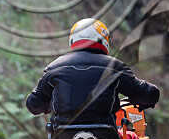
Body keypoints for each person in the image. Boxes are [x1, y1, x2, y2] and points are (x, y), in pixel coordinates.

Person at [26, 18, 160, 128]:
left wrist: (48, 105)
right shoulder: (114, 67)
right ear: (103, 40)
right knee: (133, 138)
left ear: (73, 39)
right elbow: (148, 94)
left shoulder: (54, 67)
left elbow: (33, 104)